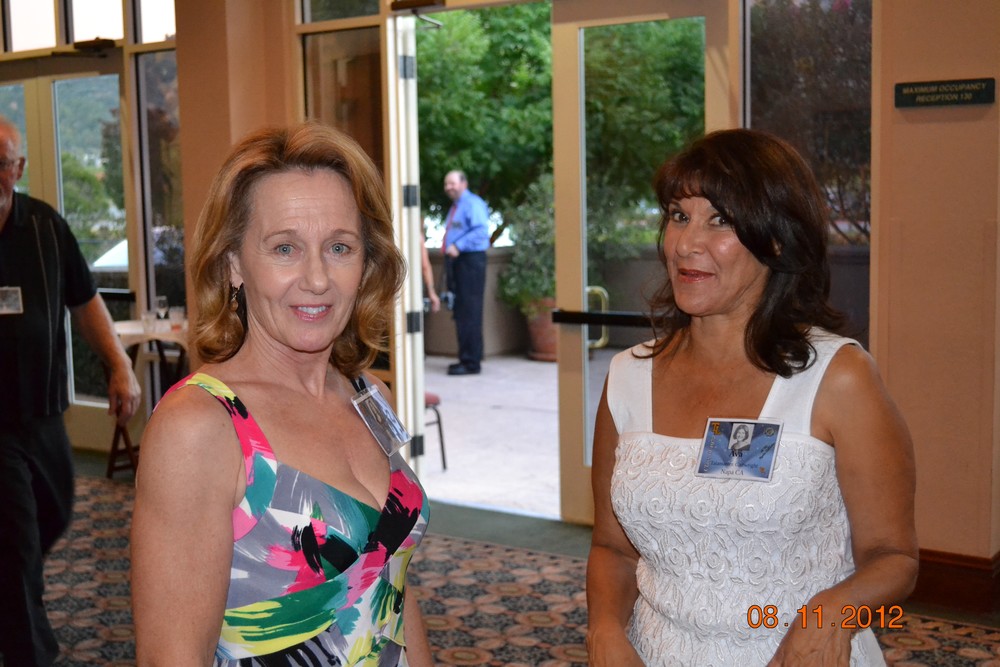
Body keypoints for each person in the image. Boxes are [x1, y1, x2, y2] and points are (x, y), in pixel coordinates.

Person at [586, 129, 918, 666]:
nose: (686, 244)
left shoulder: (838, 377)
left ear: (777, 239)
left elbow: (894, 556)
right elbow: (612, 548)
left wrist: (830, 613)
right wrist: (603, 630)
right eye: (679, 216)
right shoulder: (627, 377)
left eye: (720, 220)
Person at [130, 122, 433, 666]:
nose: (316, 278)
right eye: (285, 248)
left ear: (366, 262)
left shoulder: (370, 394)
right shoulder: (200, 426)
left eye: (339, 247)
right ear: (233, 265)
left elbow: (392, 584)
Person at [0, 116, 141, 666]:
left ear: (18, 167)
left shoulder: (45, 227)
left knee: (53, 514)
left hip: (43, 413)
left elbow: (85, 302)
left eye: (0, 163)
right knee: (17, 539)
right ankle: (29, 649)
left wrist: (119, 365)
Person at [441, 170, 490, 375]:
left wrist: (458, 245)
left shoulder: (472, 204)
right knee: (462, 311)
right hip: (459, 262)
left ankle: (471, 363)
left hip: (470, 261)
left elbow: (481, 231)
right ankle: (467, 357)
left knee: (470, 311)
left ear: (464, 183)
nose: (448, 187)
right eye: (446, 184)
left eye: (452, 183)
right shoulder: (456, 206)